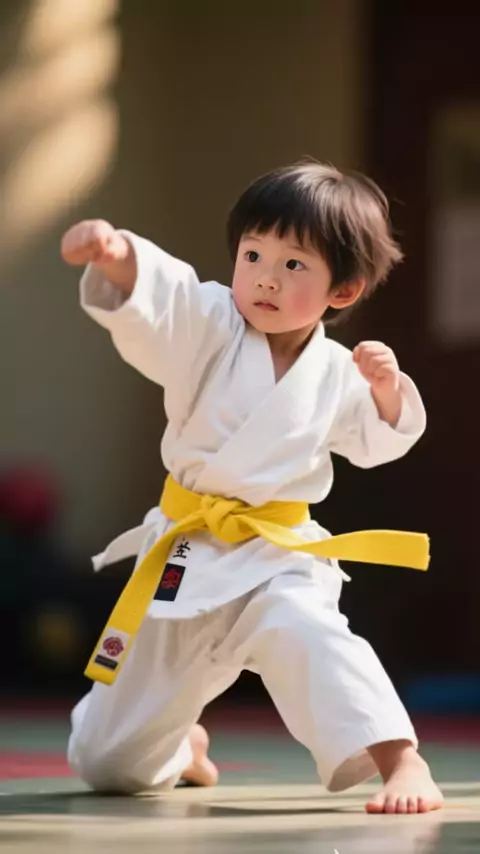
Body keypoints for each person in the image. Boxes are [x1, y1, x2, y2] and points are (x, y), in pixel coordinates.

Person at [62, 160, 443, 813]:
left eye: (294, 264)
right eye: (253, 254)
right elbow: (169, 298)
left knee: (311, 633)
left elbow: (377, 441)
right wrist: (118, 256)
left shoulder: (337, 371)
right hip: (186, 552)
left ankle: (401, 760)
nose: (266, 276)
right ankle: (182, 747)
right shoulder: (211, 323)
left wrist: (385, 392)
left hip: (276, 555)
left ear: (343, 290)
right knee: (106, 762)